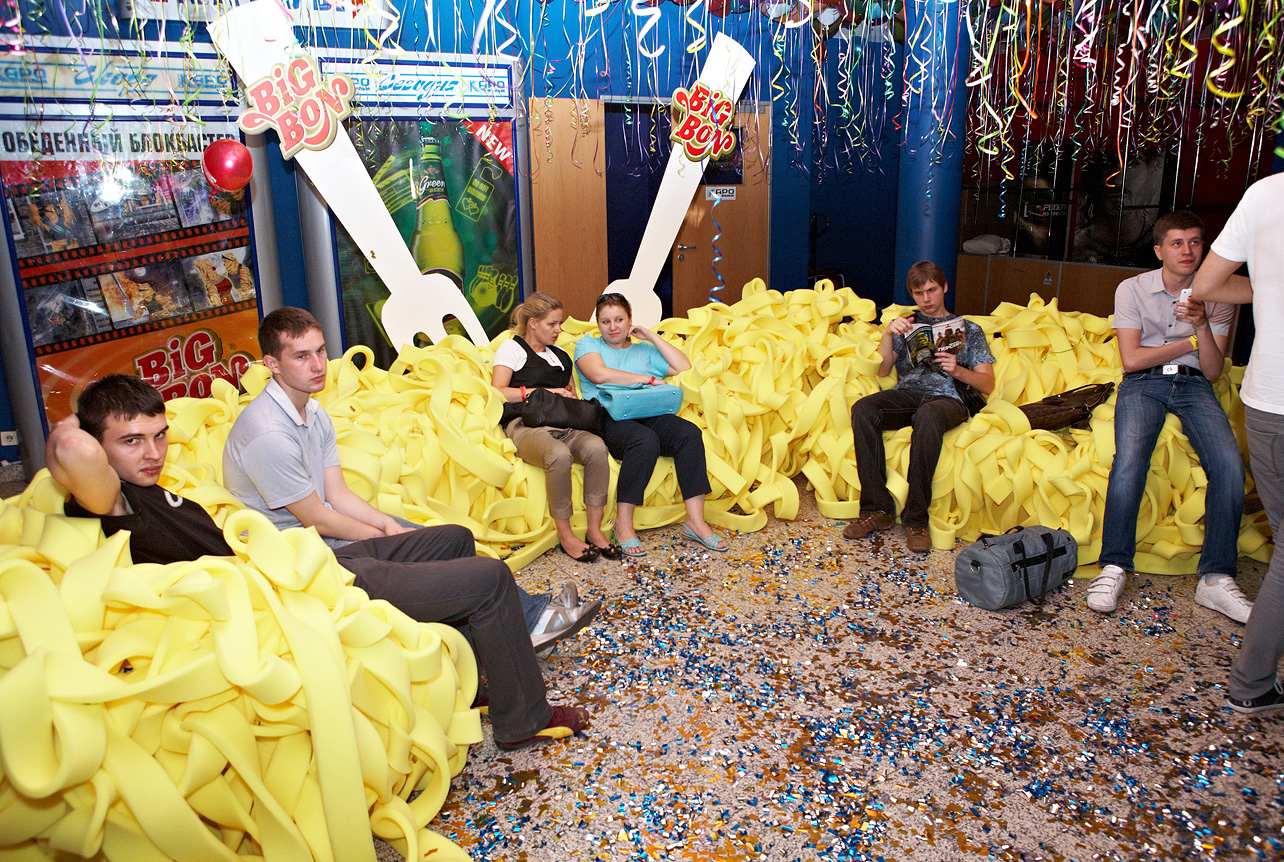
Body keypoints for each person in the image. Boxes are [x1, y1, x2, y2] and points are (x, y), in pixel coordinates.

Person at [46, 374, 589, 748]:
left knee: (451, 539)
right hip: (294, 602)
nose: (152, 453)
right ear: (99, 447)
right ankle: (524, 719)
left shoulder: (145, 485)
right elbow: (70, 449)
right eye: (131, 441)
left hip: (300, 565)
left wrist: (102, 420)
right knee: (491, 578)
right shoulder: (115, 503)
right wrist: (83, 419)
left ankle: (474, 683)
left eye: (159, 436)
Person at [221, 307, 600, 655]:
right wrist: (381, 534)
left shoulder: (313, 412)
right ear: (272, 364)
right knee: (440, 563)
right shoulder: (269, 432)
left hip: (322, 532)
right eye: (301, 356)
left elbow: (336, 493)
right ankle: (531, 624)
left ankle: (527, 623)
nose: (318, 365)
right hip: (298, 554)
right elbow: (315, 518)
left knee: (451, 539)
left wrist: (388, 525)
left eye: (320, 351)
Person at [1085, 211, 1249, 622]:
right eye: (1177, 243)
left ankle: (1216, 578)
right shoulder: (1132, 289)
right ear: (1159, 251)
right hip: (1143, 383)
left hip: (1194, 384)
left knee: (1229, 465)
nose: (1187, 251)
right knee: (1129, 461)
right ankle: (1114, 565)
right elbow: (1132, 360)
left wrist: (1202, 326)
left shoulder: (1219, 294)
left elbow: (1213, 369)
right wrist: (1190, 341)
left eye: (1195, 242)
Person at [1192, 170, 1284, 714]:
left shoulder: (1265, 194)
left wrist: (1268, 287)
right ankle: (1250, 682)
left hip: (1265, 400)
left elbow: (1205, 291)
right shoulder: (1133, 291)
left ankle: (1251, 681)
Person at [844, 261, 995, 553]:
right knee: (864, 409)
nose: (926, 299)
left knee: (928, 415)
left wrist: (957, 370)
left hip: (949, 399)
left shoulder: (969, 330)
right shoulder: (906, 326)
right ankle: (877, 510)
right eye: (918, 293)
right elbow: (882, 370)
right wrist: (888, 334)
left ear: (944, 287)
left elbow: (987, 384)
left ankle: (916, 520)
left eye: (932, 290)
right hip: (909, 394)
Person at [573, 292, 727, 557]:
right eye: (606, 321)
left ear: (630, 320)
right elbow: (598, 374)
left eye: (619, 319)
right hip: (608, 416)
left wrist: (651, 336)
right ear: (597, 324)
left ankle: (695, 521)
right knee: (644, 440)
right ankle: (623, 524)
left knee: (688, 433)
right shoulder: (587, 345)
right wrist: (648, 379)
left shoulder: (644, 350)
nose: (613, 327)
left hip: (646, 411)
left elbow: (683, 366)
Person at [491, 292, 620, 562]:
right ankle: (565, 534)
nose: (558, 330)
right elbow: (498, 391)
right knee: (558, 454)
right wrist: (544, 392)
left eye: (559, 323)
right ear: (533, 323)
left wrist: (569, 397)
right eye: (552, 324)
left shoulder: (561, 356)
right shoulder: (512, 349)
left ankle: (595, 530)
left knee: (597, 448)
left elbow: (570, 394)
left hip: (563, 423)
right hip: (525, 424)